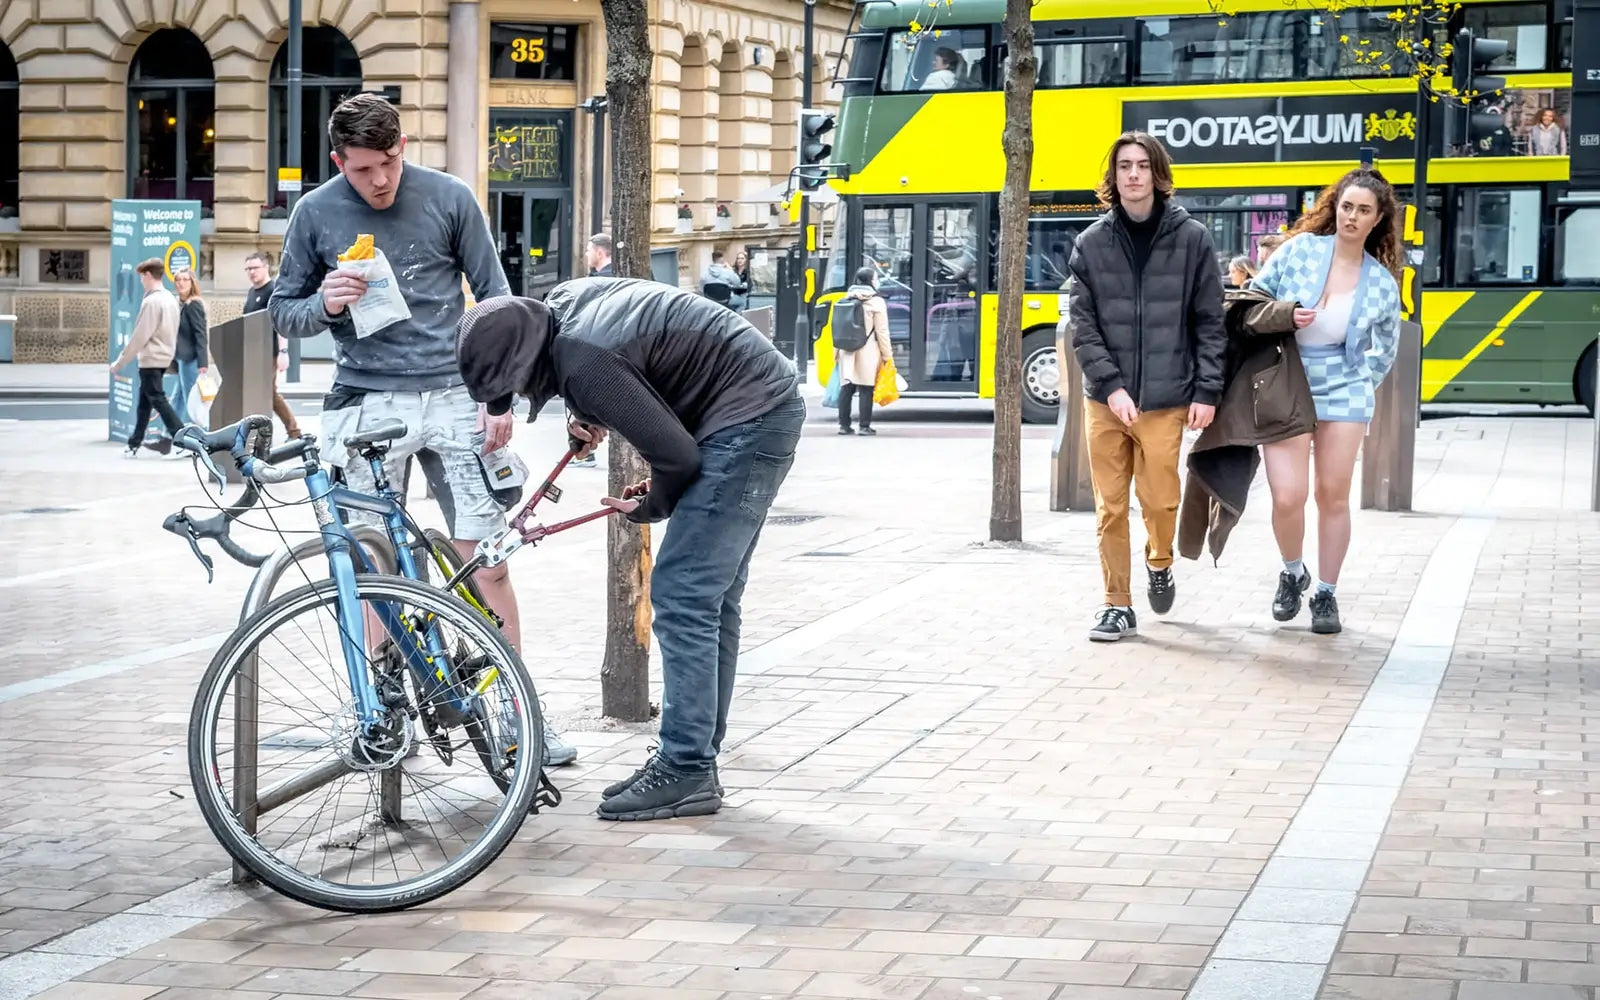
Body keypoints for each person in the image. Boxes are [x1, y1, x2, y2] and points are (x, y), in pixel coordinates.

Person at [268, 92, 579, 766]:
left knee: (485, 559)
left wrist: (500, 398)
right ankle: (385, 714)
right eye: (361, 170)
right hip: (364, 398)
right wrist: (321, 303)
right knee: (370, 563)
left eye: (387, 162)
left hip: (452, 393)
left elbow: (496, 299)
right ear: (337, 162)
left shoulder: (448, 197)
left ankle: (518, 713)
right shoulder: (314, 212)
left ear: (402, 146)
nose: (378, 180)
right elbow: (283, 313)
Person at [454, 277, 804, 822]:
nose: (523, 398)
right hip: (756, 401)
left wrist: (650, 505)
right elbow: (636, 362)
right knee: (711, 598)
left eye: (518, 389)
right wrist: (591, 412)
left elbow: (679, 460)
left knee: (686, 593)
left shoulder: (584, 364)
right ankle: (694, 759)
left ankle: (687, 767)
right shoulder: (561, 306)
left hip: (747, 416)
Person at [1065, 130, 1227, 641]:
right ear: (1112, 177)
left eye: (1141, 165)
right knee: (1110, 506)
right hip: (1106, 401)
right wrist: (1110, 385)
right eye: (1123, 166)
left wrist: (1207, 391)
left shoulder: (1193, 239)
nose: (1132, 174)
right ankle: (1117, 603)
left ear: (1158, 174)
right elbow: (1082, 325)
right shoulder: (1090, 244)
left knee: (1159, 502)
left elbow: (1209, 321)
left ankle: (1160, 561)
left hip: (1167, 397)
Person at [1249, 168, 1403, 635]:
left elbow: (1386, 346)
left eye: (1363, 211)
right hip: (1288, 381)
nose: (1352, 217)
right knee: (1287, 494)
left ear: (1377, 220)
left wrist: (1361, 381)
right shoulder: (1300, 250)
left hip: (1345, 390)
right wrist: (1285, 317)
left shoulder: (1381, 283)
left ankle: (1327, 594)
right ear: (1334, 207)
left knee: (1332, 496)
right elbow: (1254, 298)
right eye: (1346, 206)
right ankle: (1293, 572)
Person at [110, 258, 184, 458]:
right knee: (144, 402)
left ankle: (183, 439)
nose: (141, 281)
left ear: (148, 275)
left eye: (142, 276)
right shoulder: (169, 298)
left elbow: (140, 336)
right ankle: (135, 442)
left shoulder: (152, 301)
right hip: (164, 356)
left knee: (158, 400)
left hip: (151, 357)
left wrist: (120, 362)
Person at [242, 252, 302, 441]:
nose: (251, 272)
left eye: (255, 268)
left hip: (270, 351)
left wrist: (283, 352)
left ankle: (288, 432)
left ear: (266, 267)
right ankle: (289, 431)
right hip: (254, 352)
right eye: (248, 269)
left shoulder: (273, 290)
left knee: (266, 392)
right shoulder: (252, 292)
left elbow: (281, 323)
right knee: (267, 393)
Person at [835, 266, 892, 436]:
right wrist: (887, 355)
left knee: (847, 388)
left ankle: (844, 426)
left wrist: (836, 353)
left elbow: (837, 328)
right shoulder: (876, 302)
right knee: (866, 388)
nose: (877, 281)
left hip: (846, 349)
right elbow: (882, 332)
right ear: (870, 281)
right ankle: (864, 426)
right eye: (875, 278)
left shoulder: (845, 298)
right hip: (868, 349)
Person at [169, 267, 209, 430]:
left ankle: (204, 436)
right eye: (178, 280)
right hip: (181, 358)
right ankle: (169, 435)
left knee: (192, 402)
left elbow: (201, 335)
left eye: (185, 280)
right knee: (178, 398)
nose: (181, 283)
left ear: (192, 283)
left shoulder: (193, 305)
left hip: (190, 359)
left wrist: (203, 363)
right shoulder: (180, 304)